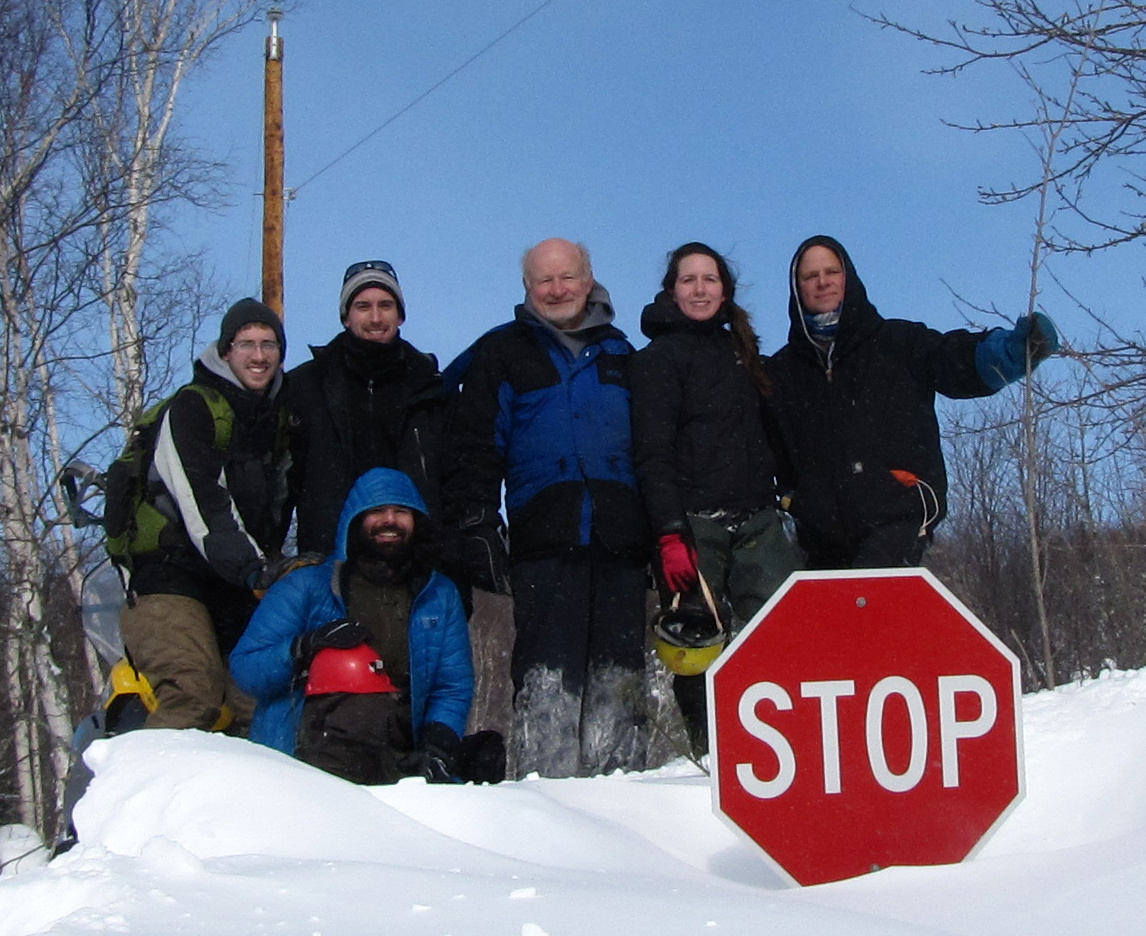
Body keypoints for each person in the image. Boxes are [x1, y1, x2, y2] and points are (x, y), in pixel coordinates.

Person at [443, 237, 649, 779]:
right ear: (527, 288)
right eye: (544, 280)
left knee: (619, 680)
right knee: (547, 679)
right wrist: (478, 523)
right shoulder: (503, 353)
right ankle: (547, 795)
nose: (557, 290)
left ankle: (625, 799)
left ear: (589, 279)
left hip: (621, 542)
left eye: (567, 277)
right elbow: (476, 447)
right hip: (544, 542)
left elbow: (653, 451)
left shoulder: (624, 355)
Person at [770, 234, 1059, 569]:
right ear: (797, 289)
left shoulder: (900, 344)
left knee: (877, 593)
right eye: (810, 276)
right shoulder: (781, 373)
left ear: (849, 278)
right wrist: (796, 499)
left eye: (832, 271)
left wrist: (1013, 351)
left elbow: (956, 361)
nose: (823, 282)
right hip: (819, 541)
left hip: (899, 515)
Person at [630, 243, 804, 756]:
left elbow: (773, 434)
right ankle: (710, 755)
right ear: (672, 291)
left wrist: (791, 493)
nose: (700, 289)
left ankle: (787, 750)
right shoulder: (657, 360)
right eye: (689, 280)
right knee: (696, 645)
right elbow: (652, 453)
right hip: (692, 525)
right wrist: (668, 533)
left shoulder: (742, 353)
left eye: (710, 279)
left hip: (758, 521)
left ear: (725, 291)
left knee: (782, 634)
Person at [230, 467, 476, 785]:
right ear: (356, 519)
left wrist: (437, 747)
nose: (390, 520)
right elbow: (246, 669)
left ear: (417, 521)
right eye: (377, 511)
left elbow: (451, 685)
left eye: (401, 512)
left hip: (399, 755)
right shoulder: (306, 586)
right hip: (307, 757)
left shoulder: (439, 595)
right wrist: (303, 647)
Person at [117, 298, 294, 732]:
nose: (258, 356)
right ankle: (146, 774)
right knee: (193, 694)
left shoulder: (279, 417)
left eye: (269, 345)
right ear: (226, 351)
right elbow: (204, 503)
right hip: (169, 575)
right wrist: (255, 570)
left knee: (262, 704)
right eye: (246, 344)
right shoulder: (192, 409)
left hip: (234, 585)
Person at [287, 260, 444, 555]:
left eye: (385, 305)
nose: (375, 317)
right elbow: (284, 479)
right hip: (330, 553)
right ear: (346, 317)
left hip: (415, 556)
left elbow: (456, 478)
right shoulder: (305, 386)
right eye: (362, 306)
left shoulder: (431, 388)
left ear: (400, 315)